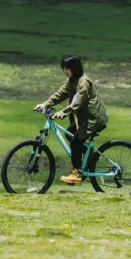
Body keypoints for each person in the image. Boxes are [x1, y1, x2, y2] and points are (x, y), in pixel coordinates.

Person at [36, 56, 108, 186]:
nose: (65, 71)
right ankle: (89, 156)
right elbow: (61, 93)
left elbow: (76, 104)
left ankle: (77, 174)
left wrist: (61, 113)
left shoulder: (84, 83)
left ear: (74, 68)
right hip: (84, 118)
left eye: (67, 68)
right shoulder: (72, 80)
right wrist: (45, 104)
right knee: (70, 133)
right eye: (64, 68)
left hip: (93, 119)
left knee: (75, 142)